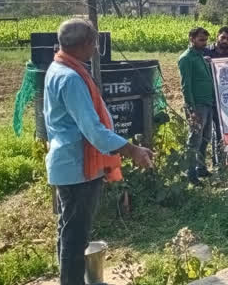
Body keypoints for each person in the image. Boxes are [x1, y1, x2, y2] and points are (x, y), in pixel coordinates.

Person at [45, 19, 154, 285]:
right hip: (77, 166)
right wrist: (132, 150)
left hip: (69, 163)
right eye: (94, 43)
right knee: (75, 237)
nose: (95, 49)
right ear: (85, 44)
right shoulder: (71, 78)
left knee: (68, 231)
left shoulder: (58, 67)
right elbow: (93, 131)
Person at [178, 27, 217, 185]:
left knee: (205, 138)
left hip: (208, 103)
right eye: (201, 40)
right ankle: (191, 174)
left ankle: (201, 168)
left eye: (205, 40)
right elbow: (186, 86)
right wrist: (191, 109)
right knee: (194, 139)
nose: (204, 43)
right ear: (191, 39)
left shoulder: (201, 56)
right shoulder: (186, 59)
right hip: (197, 105)